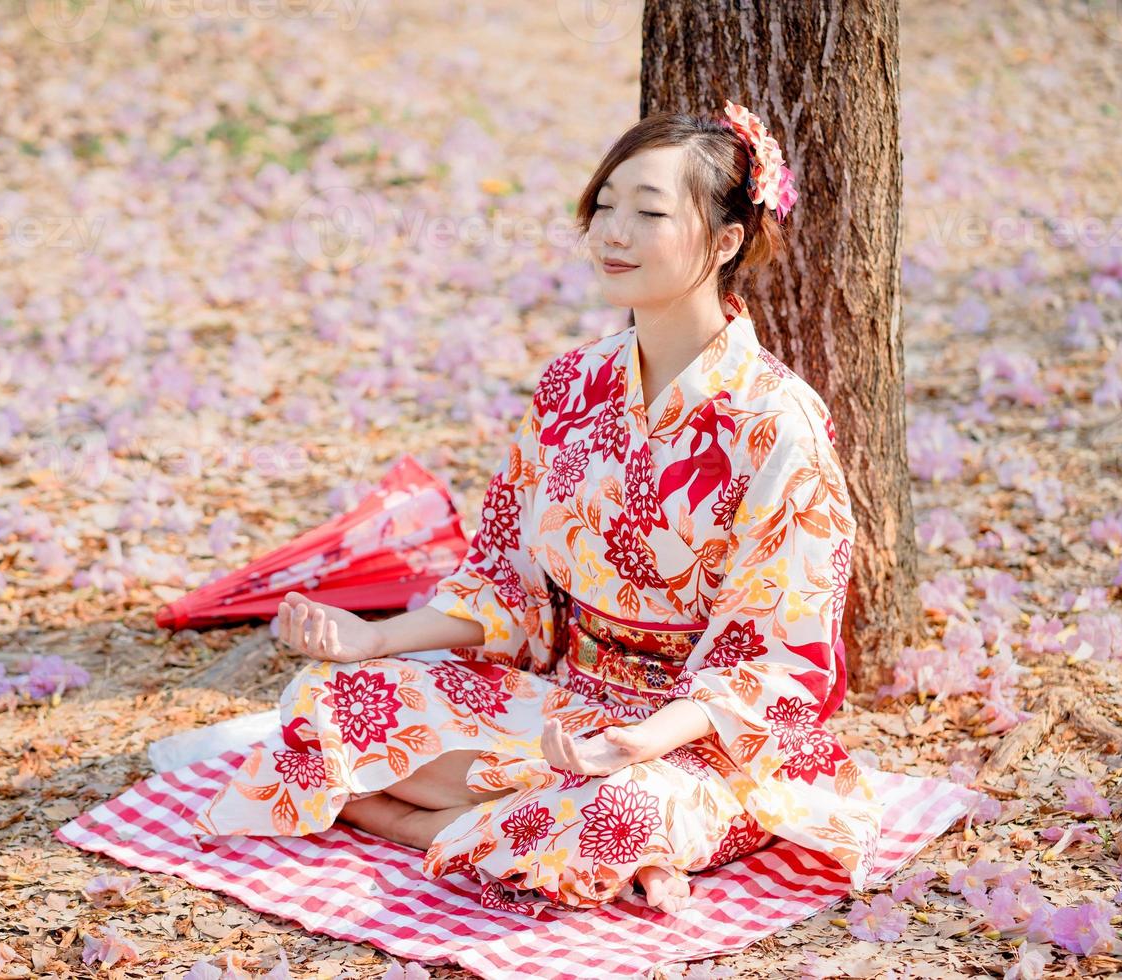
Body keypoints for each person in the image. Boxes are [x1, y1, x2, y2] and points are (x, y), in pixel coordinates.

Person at [189, 102, 885, 919]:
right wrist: (372, 639)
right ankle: (499, 829)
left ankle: (410, 820)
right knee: (329, 699)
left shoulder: (775, 423)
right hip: (565, 700)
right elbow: (503, 578)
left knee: (623, 814)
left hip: (699, 741)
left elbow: (780, 654)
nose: (612, 232)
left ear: (725, 242)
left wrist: (648, 739)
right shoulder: (570, 386)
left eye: (650, 211)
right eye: (606, 204)